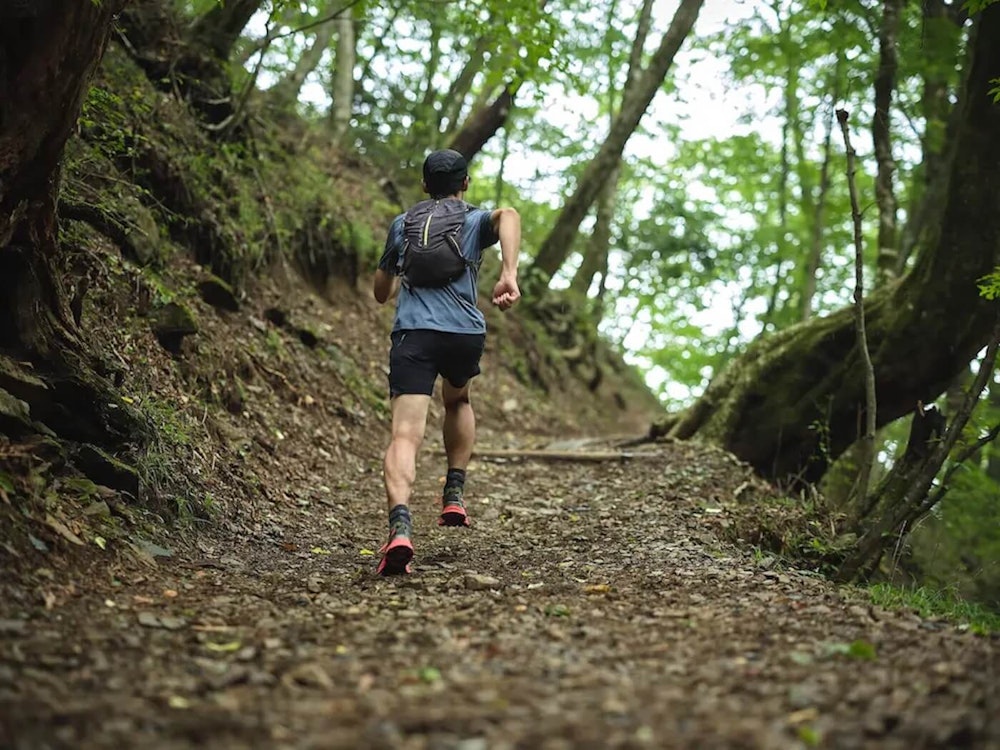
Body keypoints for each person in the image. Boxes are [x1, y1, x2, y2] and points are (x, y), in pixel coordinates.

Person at [372, 149, 521, 576]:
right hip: (463, 333)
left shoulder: (402, 224)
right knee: (457, 401)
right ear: (465, 184)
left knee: (404, 434)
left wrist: (392, 263)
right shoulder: (474, 220)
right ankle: (454, 491)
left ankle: (400, 527)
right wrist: (508, 272)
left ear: (424, 186)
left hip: (414, 335)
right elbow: (508, 213)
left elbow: (382, 292)